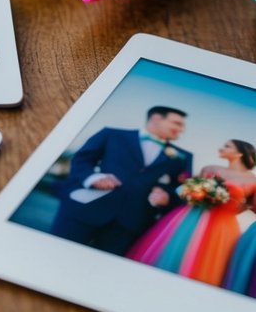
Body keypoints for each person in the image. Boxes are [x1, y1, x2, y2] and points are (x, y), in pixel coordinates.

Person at [50, 106, 193, 255]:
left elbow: (180, 189)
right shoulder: (111, 134)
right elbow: (82, 160)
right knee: (57, 255)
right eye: (177, 123)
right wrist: (93, 178)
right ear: (156, 118)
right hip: (84, 210)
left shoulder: (183, 157)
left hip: (131, 223)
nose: (181, 129)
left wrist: (167, 197)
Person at [129, 139, 256, 285]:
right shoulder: (210, 169)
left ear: (240, 153)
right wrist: (195, 192)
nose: (221, 148)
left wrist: (233, 205)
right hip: (192, 216)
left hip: (222, 224)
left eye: (227, 146)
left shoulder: (253, 180)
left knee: (208, 259)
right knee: (177, 249)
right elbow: (186, 189)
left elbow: (250, 206)